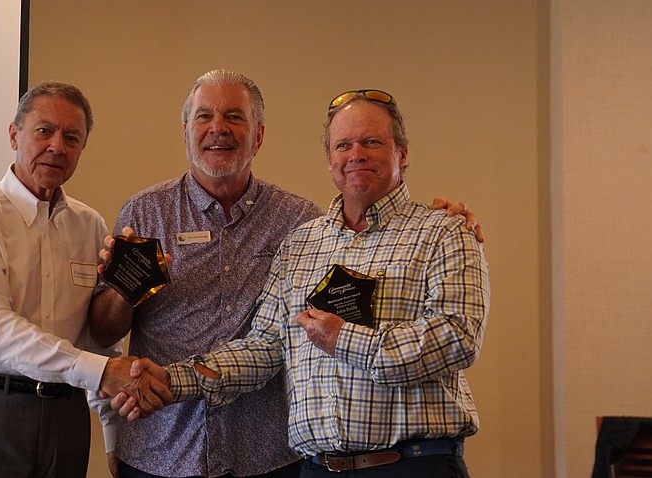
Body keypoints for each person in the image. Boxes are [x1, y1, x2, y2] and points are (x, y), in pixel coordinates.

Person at [90, 71, 483, 478]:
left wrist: (344, 338)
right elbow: (264, 346)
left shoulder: (442, 231)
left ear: (402, 153)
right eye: (343, 145)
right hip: (294, 465)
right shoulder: (304, 242)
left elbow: (458, 337)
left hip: (404, 464)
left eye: (371, 142)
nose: (355, 155)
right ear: (330, 159)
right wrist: (168, 380)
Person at [0, 81, 171, 478]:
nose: (57, 146)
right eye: (44, 131)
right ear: (14, 134)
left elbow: (97, 341)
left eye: (72, 137)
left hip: (65, 419)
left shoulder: (88, 224)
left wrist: (115, 436)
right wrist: (99, 372)